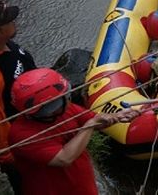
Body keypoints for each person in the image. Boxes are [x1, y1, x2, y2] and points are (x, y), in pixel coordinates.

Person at [8, 68, 139, 195]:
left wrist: (118, 116)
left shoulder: (66, 110)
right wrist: (89, 125)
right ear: (49, 107)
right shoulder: (21, 134)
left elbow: (95, 120)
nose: (68, 99)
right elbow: (64, 158)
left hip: (82, 184)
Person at [0, 2, 36, 194]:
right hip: (17, 138)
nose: (14, 21)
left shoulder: (9, 46)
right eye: (8, 20)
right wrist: (6, 153)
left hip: (34, 122)